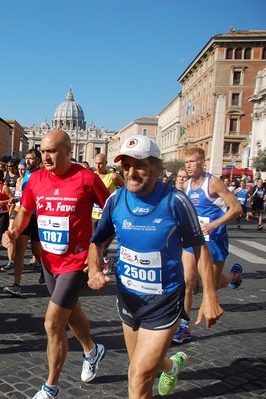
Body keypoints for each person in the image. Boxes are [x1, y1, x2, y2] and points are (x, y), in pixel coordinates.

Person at [88, 135, 223, 398]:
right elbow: (97, 242)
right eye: (125, 166)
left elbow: (200, 247)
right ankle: (172, 365)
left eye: (138, 165)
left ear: (157, 168)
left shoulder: (176, 201)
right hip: (129, 300)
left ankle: (164, 365)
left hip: (163, 302)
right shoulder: (116, 201)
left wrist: (209, 295)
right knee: (142, 369)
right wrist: (94, 269)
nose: (130, 172)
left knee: (138, 377)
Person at [2, 130, 110, 398]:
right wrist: (14, 231)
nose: (45, 156)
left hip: (77, 262)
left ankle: (50, 387)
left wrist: (97, 252)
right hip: (49, 261)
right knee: (72, 314)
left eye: (51, 151)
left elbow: (111, 212)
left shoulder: (86, 178)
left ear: (68, 151)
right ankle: (92, 350)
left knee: (52, 323)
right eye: (43, 151)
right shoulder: (36, 179)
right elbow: (26, 211)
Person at [174, 147, 242, 344]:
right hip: (192, 240)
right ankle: (184, 327)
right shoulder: (187, 185)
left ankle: (232, 277)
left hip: (214, 240)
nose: (188, 166)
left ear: (202, 162)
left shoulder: (212, 182)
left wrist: (213, 225)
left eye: (192, 162)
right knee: (187, 281)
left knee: (207, 285)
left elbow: (236, 208)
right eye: (186, 162)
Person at [3, 149, 43, 296]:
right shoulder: (25, 174)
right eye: (26, 158)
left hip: (38, 216)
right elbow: (26, 195)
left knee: (36, 250)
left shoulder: (43, 174)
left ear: (38, 160)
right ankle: (16, 284)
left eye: (31, 159)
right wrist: (16, 200)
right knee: (20, 249)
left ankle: (44, 267)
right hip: (24, 214)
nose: (28, 161)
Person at [91, 153, 124, 273]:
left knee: (103, 243)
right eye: (96, 163)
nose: (98, 166)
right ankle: (100, 263)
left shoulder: (113, 176)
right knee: (95, 243)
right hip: (93, 214)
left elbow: (124, 189)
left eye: (101, 163)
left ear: (106, 163)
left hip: (108, 215)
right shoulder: (92, 176)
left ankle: (103, 261)